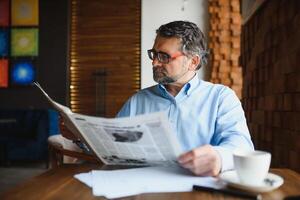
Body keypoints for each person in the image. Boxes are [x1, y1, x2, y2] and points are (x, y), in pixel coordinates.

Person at [116, 21, 254, 176]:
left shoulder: (221, 98)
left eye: (164, 56)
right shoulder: (137, 101)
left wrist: (219, 158)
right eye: (154, 54)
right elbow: (114, 143)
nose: (154, 63)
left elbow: (242, 146)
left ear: (193, 62)